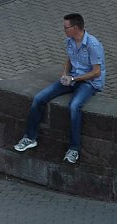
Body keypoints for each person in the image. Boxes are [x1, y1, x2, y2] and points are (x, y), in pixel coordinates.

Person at [14, 13, 105, 164]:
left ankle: (74, 149)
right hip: (73, 78)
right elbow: (69, 59)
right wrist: (65, 74)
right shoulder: (70, 41)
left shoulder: (93, 45)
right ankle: (30, 138)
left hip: (89, 83)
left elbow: (96, 72)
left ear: (75, 28)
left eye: (66, 27)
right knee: (39, 98)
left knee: (74, 106)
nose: (64, 29)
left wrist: (74, 79)